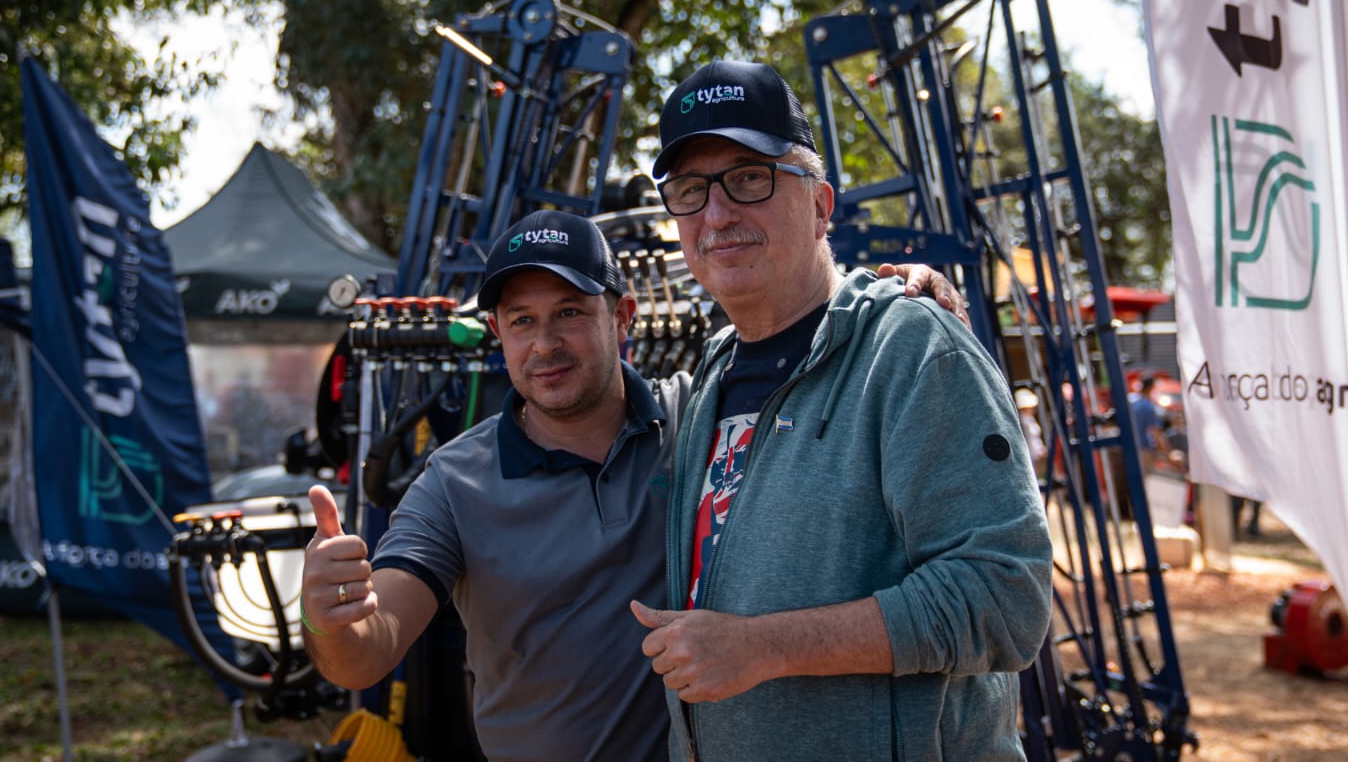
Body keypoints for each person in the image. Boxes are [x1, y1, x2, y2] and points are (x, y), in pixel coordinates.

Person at [298, 209, 965, 762]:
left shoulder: (700, 419)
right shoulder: (454, 481)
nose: (545, 344)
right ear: (497, 334)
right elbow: (367, 653)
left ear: (623, 316)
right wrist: (334, 620)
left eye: (569, 313)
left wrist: (889, 310)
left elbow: (810, 352)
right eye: (522, 321)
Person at [630, 60, 1053, 761]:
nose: (716, 213)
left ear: (822, 204)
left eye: (748, 177)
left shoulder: (912, 348)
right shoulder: (713, 374)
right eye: (689, 190)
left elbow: (1005, 596)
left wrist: (762, 648)